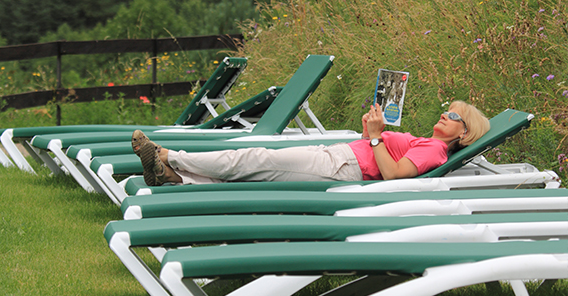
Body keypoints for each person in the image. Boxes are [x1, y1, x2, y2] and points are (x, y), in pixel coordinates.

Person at [131, 100, 490, 186]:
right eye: (447, 109)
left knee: (253, 159)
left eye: (454, 116)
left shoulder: (435, 150)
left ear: (464, 133)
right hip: (337, 157)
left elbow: (394, 175)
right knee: (254, 171)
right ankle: (173, 177)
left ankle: (169, 156)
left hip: (341, 168)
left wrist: (376, 136)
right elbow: (377, 149)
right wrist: (369, 132)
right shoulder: (425, 140)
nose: (445, 114)